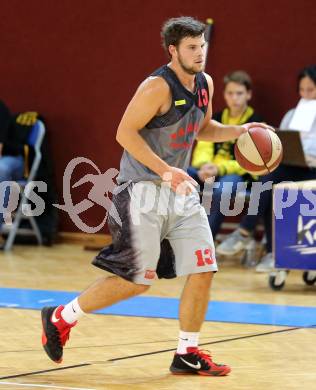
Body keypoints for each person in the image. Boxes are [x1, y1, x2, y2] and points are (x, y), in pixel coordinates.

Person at [41, 16, 272, 376]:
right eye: (192, 48)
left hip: (179, 190)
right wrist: (165, 169)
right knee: (136, 281)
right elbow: (124, 133)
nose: (200, 54)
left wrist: (243, 131)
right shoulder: (156, 87)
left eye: (202, 46)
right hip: (142, 189)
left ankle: (187, 352)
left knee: (203, 268)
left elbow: (204, 128)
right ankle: (60, 317)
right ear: (173, 50)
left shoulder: (205, 84)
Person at [216, 65, 316, 272]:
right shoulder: (292, 114)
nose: (305, 95)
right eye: (302, 90)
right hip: (294, 166)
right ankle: (272, 253)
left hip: (314, 169)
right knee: (269, 178)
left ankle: (244, 231)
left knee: (272, 181)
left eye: (311, 90)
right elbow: (285, 142)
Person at [188, 70, 263, 238]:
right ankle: (173, 238)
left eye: (239, 93)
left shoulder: (256, 122)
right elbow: (203, 145)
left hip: (237, 175)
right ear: (224, 95)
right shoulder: (217, 117)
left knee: (222, 190)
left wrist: (219, 169)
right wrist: (204, 166)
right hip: (209, 171)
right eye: (230, 93)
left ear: (248, 94)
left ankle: (205, 240)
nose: (234, 98)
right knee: (178, 175)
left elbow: (251, 163)